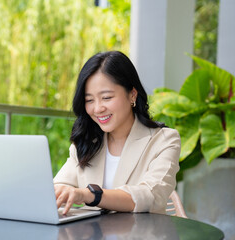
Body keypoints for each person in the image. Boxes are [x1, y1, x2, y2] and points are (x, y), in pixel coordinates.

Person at [53, 51, 180, 215]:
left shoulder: (164, 140)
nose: (98, 108)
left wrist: (90, 194)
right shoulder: (86, 142)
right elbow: (59, 187)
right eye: (89, 100)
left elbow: (150, 196)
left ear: (132, 94)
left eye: (106, 97)